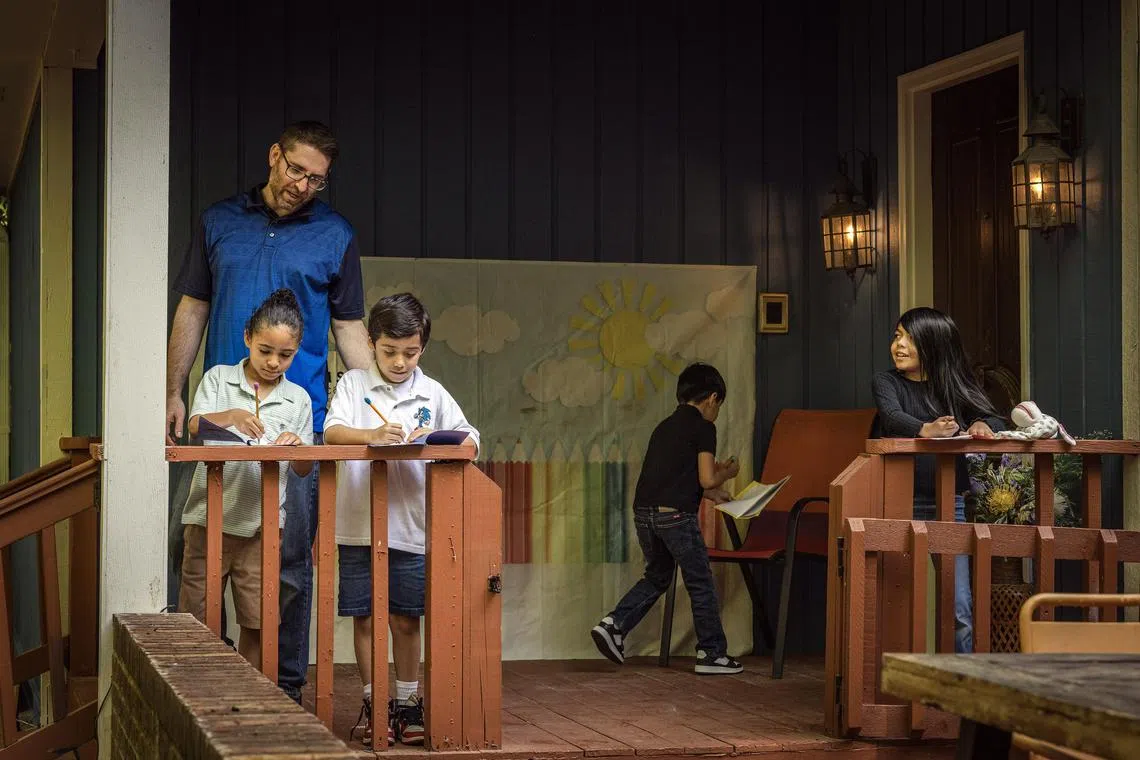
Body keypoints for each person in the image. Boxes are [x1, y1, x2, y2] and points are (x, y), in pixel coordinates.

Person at [165, 121, 374, 701]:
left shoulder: (336, 234)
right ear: (274, 156)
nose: (304, 184)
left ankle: (280, 689)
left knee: (286, 561)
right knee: (202, 548)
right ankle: (202, 683)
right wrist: (172, 390)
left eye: (318, 179)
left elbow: (349, 327)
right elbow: (193, 306)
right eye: (296, 169)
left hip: (295, 425)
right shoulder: (219, 222)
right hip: (219, 418)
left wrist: (373, 405)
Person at [323, 293, 480, 747]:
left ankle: (409, 702)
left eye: (410, 353)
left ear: (423, 348)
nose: (399, 361)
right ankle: (376, 700)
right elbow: (332, 432)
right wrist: (371, 435)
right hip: (359, 525)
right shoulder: (354, 385)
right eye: (389, 351)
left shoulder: (431, 391)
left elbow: (471, 439)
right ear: (371, 343)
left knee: (407, 619)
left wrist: (435, 440)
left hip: (412, 526)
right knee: (367, 618)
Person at [178, 289, 313, 667]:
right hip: (208, 521)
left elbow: (303, 469)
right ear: (247, 338)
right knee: (197, 616)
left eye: (285, 355)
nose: (273, 362)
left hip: (262, 528)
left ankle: (253, 695)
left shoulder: (298, 399)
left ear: (298, 350)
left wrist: (297, 447)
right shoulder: (219, 380)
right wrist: (232, 416)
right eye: (265, 350)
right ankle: (199, 693)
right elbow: (194, 426)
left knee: (259, 622)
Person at [590, 363, 744, 675]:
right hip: (675, 517)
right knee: (700, 582)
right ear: (712, 398)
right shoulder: (704, 428)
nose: (717, 412)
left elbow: (676, 477)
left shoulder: (665, 426)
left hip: (645, 515)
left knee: (658, 576)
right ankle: (712, 654)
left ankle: (615, 624)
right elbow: (705, 478)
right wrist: (726, 472)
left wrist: (715, 496)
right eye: (719, 406)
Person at [871, 306, 1006, 653]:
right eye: (897, 336)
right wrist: (925, 430)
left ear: (933, 345)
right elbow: (891, 417)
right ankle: (897, 689)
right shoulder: (886, 382)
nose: (898, 345)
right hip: (898, 501)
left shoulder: (952, 386)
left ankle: (960, 693)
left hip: (950, 503)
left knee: (958, 604)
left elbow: (994, 416)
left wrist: (982, 425)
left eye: (909, 339)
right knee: (894, 603)